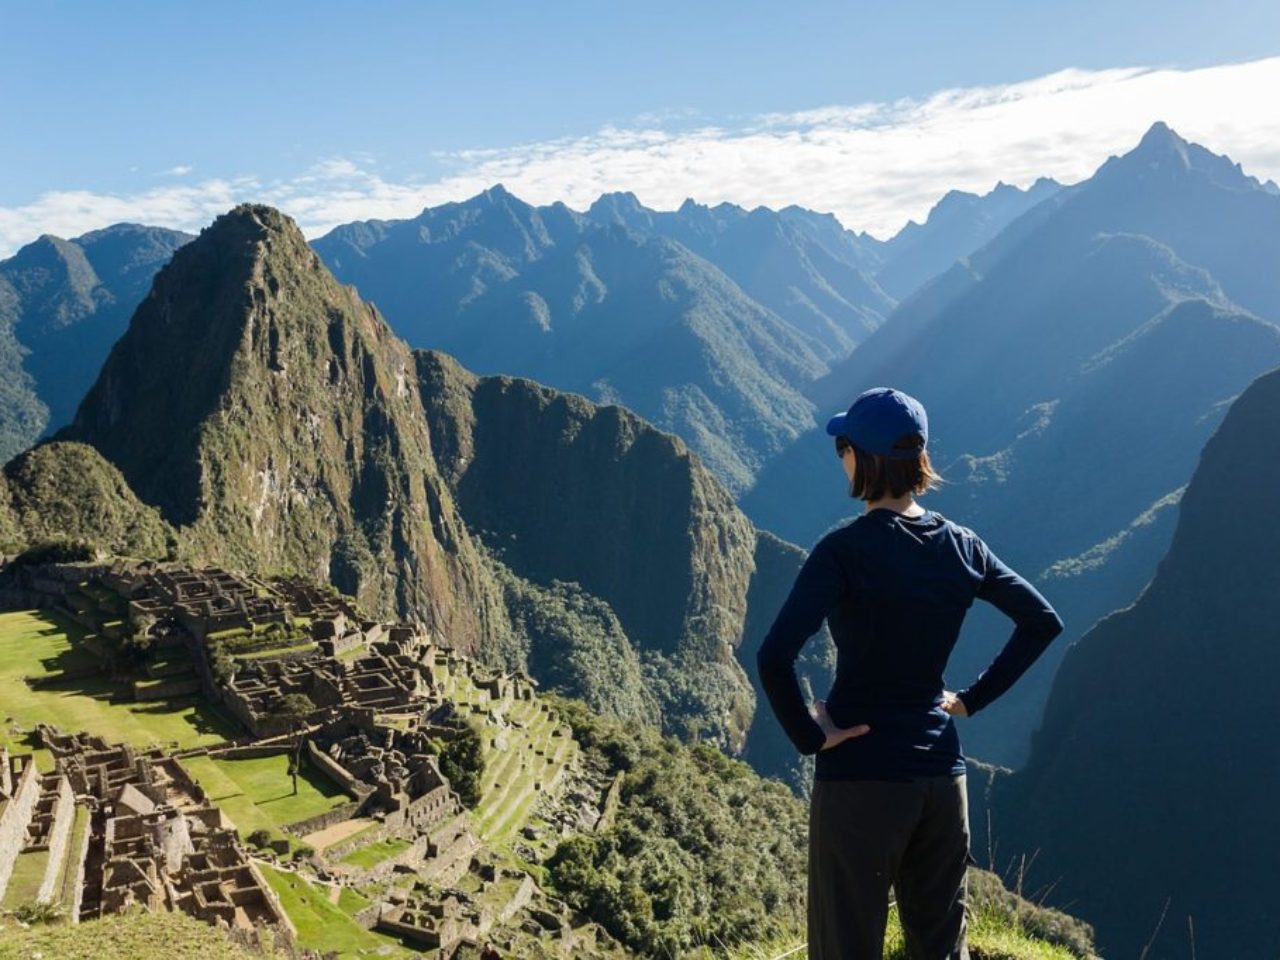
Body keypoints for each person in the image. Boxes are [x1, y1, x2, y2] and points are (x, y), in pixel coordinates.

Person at [756, 386, 1064, 960]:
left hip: (860, 777)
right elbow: (1041, 621)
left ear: (861, 457)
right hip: (942, 779)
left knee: (845, 945)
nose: (840, 456)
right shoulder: (964, 547)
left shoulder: (843, 552)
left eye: (843, 446)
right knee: (942, 946)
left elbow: (774, 656)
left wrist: (811, 736)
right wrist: (970, 701)